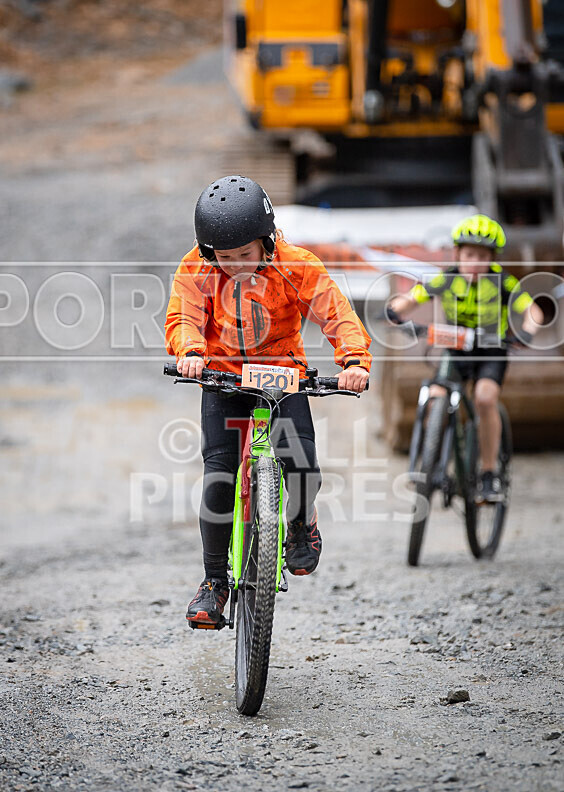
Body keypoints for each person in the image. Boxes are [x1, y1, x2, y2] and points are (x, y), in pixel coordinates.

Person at [165, 175, 371, 626]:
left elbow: (335, 312)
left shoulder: (297, 265)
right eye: (225, 258)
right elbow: (183, 316)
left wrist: (354, 361)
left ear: (267, 242)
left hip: (283, 377)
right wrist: (191, 353)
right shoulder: (196, 270)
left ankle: (302, 522)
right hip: (223, 379)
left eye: (245, 255)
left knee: (302, 465)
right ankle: (214, 581)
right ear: (207, 253)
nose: (235, 265)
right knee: (218, 477)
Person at [387, 214, 542, 503]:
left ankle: (488, 474)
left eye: (482, 256)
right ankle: (430, 460)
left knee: (484, 399)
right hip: (456, 350)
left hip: (491, 352)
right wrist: (395, 310)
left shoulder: (502, 282)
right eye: (469, 254)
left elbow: (533, 311)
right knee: (435, 396)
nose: (474, 262)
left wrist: (526, 333)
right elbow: (411, 298)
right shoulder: (447, 278)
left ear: (492, 258)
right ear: (458, 253)